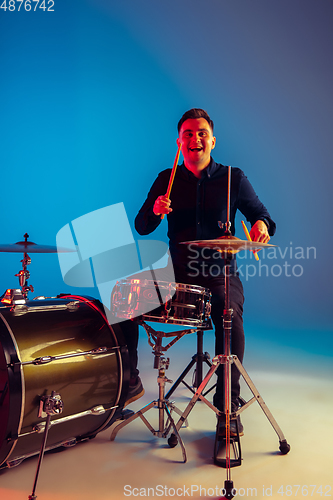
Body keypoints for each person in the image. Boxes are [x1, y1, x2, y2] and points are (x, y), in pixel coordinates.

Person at [127, 108, 275, 435]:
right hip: (175, 272)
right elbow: (141, 225)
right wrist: (154, 210)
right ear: (180, 141)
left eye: (201, 133)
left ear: (212, 140)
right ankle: (128, 382)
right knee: (123, 301)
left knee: (229, 315)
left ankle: (228, 410)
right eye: (189, 134)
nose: (195, 138)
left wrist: (261, 226)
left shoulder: (233, 178)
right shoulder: (167, 179)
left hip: (218, 271)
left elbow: (261, 215)